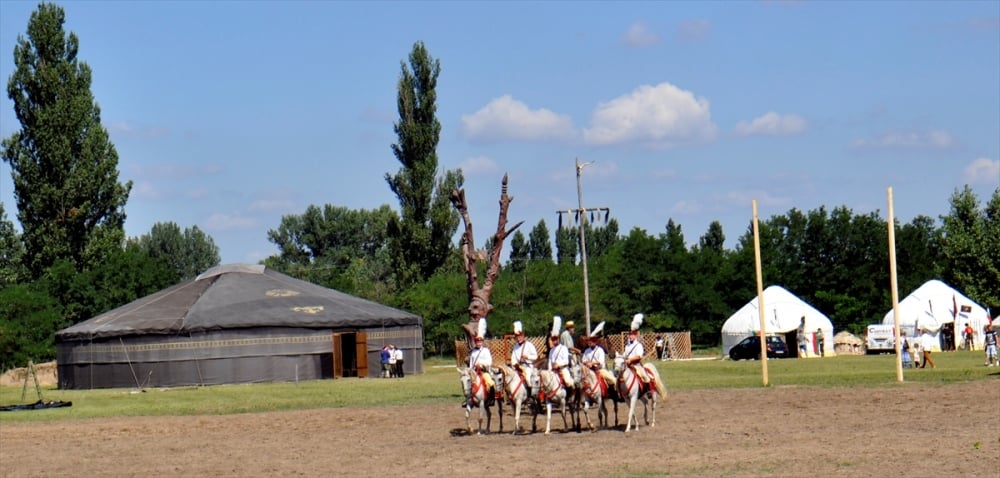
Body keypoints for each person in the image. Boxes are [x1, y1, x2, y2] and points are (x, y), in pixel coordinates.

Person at [581, 322, 614, 390]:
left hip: (599, 370)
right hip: (589, 371)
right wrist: (587, 363)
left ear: (595, 342)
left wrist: (592, 363)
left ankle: (615, 395)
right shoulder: (587, 350)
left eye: (592, 341)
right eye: (589, 341)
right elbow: (583, 360)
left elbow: (600, 361)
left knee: (613, 380)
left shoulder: (600, 350)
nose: (590, 342)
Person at [510, 320, 538, 396]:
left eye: (520, 336)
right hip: (518, 366)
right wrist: (514, 364)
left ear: (523, 336)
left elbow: (535, 356)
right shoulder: (515, 347)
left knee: (527, 378)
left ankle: (530, 395)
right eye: (517, 337)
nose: (519, 338)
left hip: (527, 366)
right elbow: (513, 358)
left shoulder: (529, 345)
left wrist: (527, 357)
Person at [624, 314, 650, 383]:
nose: (631, 336)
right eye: (630, 335)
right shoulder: (627, 345)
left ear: (635, 335)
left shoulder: (638, 345)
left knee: (645, 378)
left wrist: (630, 359)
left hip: (636, 365)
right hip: (627, 366)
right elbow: (625, 355)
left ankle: (648, 391)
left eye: (632, 335)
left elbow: (639, 356)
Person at [548, 316, 574, 388]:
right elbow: (550, 361)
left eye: (556, 339)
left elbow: (566, 361)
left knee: (568, 382)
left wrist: (558, 365)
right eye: (553, 339)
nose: (554, 341)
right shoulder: (551, 351)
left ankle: (573, 394)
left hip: (563, 369)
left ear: (558, 338)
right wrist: (550, 369)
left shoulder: (564, 348)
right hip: (553, 371)